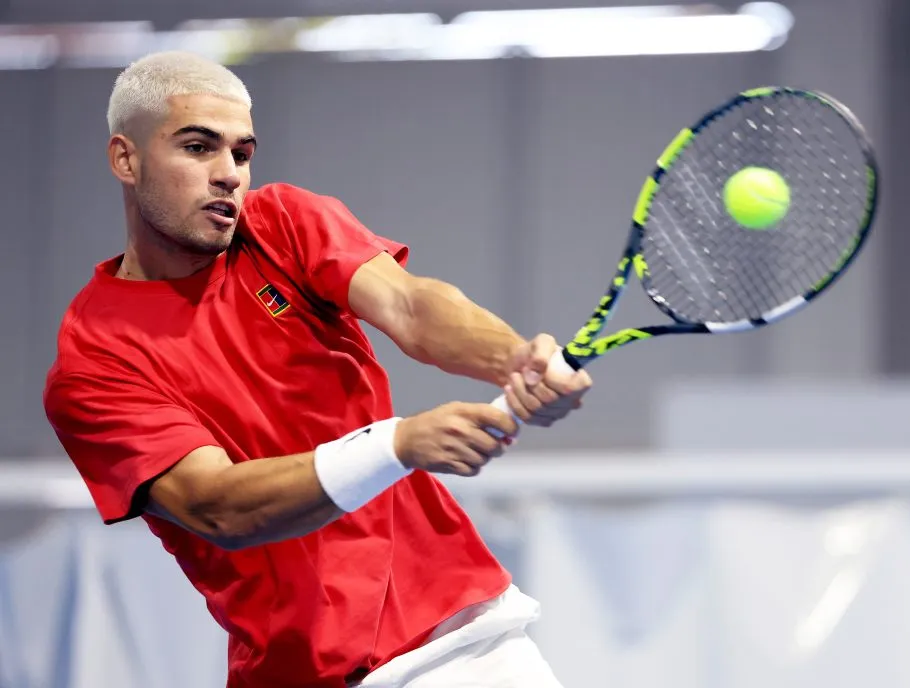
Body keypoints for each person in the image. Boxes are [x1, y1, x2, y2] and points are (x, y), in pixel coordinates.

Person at [42, 51, 591, 688]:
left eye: (241, 154)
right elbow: (215, 505)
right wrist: (395, 444)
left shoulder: (282, 223)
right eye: (198, 147)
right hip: (300, 672)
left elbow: (411, 306)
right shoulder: (92, 365)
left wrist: (513, 359)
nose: (228, 175)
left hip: (462, 647)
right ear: (125, 159)